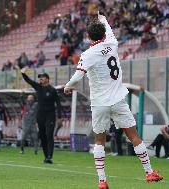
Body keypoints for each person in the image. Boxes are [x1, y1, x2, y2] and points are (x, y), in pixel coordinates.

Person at [64, 13, 163, 189]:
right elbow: (107, 27)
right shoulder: (112, 43)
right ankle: (149, 172)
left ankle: (102, 181)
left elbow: (78, 76)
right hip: (118, 99)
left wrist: (67, 86)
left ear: (88, 36)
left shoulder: (88, 54)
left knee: (100, 141)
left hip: (100, 103)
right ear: (104, 33)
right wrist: (102, 17)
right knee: (134, 137)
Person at [21, 68, 62, 164]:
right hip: (40, 116)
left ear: (47, 79)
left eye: (42, 78)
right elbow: (29, 81)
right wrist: (23, 73)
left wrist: (59, 117)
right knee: (43, 136)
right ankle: (46, 156)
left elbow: (58, 103)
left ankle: (49, 156)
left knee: (49, 134)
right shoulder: (38, 87)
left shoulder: (52, 90)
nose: (40, 79)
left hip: (50, 115)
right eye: (39, 78)